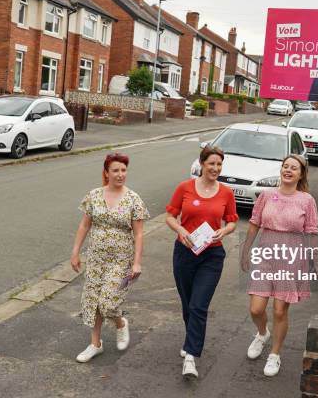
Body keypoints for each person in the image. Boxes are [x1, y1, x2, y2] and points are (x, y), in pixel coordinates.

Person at [240, 154, 318, 377]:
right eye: (285, 166)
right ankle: (262, 333)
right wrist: (246, 250)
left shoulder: (306, 200)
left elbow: (312, 231)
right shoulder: (266, 195)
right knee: (256, 308)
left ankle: (275, 354)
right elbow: (254, 222)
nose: (288, 170)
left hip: (291, 258)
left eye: (294, 168)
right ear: (281, 170)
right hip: (266, 254)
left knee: (279, 310)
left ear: (300, 174)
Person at [165, 146, 239, 378]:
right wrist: (181, 230)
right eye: (211, 164)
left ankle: (190, 356)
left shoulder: (226, 192)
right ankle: (191, 340)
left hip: (212, 255)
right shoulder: (184, 188)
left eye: (219, 165)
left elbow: (232, 221)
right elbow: (170, 216)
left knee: (199, 305)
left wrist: (224, 232)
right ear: (202, 163)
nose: (215, 169)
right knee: (188, 305)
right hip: (185, 252)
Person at [70, 152, 150, 363]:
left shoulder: (133, 199)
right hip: (96, 257)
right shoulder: (94, 195)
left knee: (108, 303)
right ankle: (95, 344)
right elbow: (84, 225)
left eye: (123, 170)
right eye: (115, 170)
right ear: (107, 172)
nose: (120, 174)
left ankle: (120, 323)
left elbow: (139, 233)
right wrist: (75, 251)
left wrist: (137, 262)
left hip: (121, 260)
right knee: (94, 301)